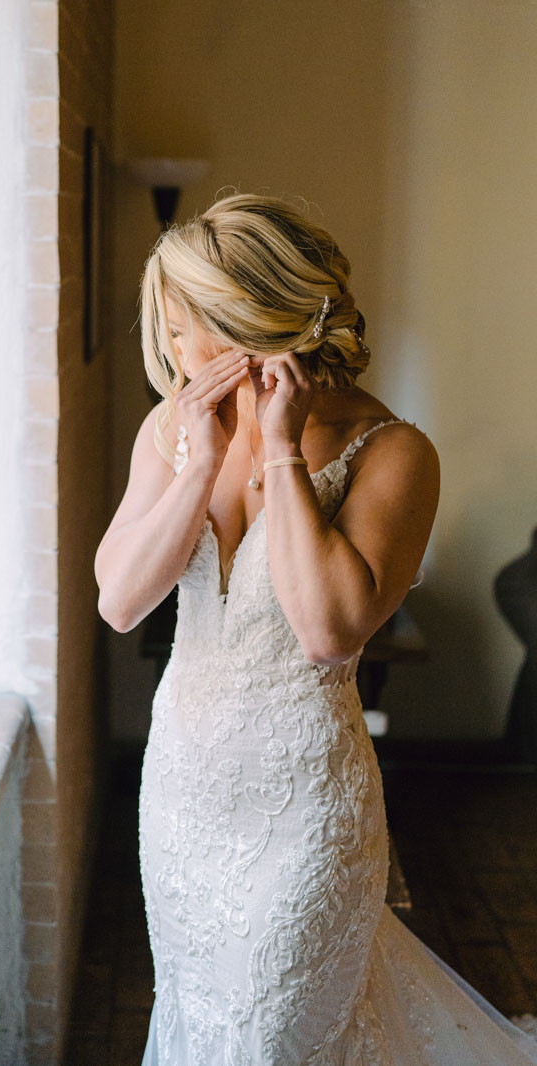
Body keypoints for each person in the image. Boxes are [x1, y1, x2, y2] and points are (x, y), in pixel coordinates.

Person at [95, 194, 537, 1065]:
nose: (178, 354)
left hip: (307, 810)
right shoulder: (171, 429)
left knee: (275, 1035)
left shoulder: (392, 450)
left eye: (190, 329)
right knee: (203, 1016)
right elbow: (118, 601)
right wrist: (198, 466)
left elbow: (329, 630)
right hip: (183, 792)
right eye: (172, 331)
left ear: (254, 321)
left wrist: (283, 450)